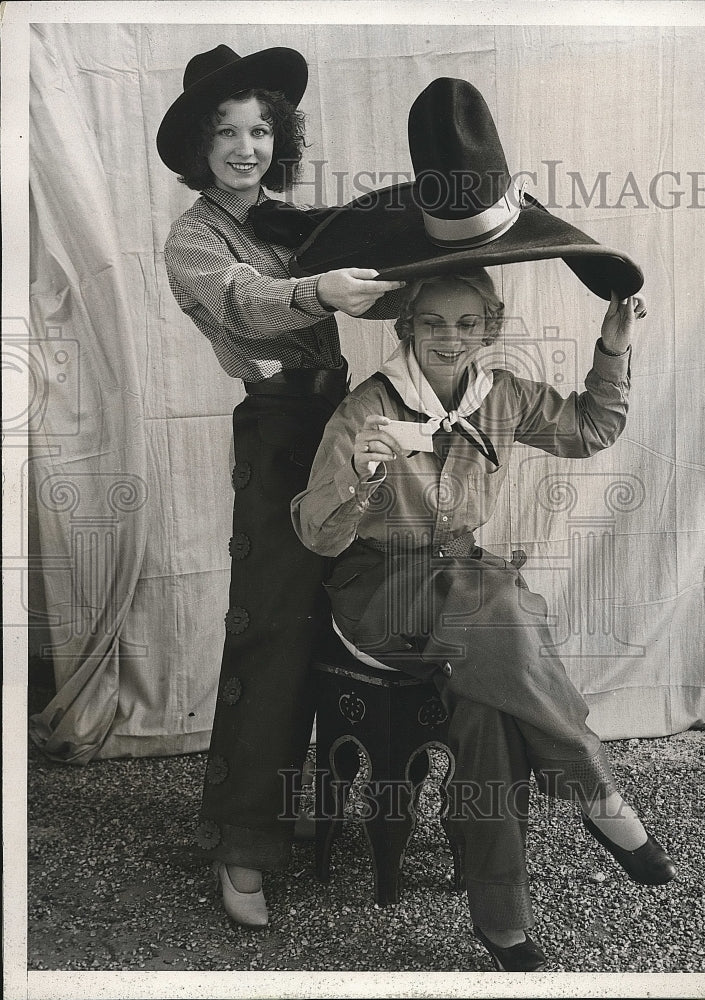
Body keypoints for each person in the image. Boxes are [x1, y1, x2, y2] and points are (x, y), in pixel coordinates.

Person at [291, 266, 675, 970]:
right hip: (378, 594)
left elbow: (591, 428)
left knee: (489, 714)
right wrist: (361, 475)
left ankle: (501, 922)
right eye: (433, 322)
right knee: (502, 605)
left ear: (490, 329)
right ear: (406, 326)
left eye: (468, 324)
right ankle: (598, 794)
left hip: (460, 586)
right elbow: (316, 535)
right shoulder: (366, 407)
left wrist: (613, 347)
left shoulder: (499, 396)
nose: (450, 338)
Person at [157, 44, 404, 927]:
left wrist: (442, 224)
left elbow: (365, 247)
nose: (245, 146)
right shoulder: (195, 238)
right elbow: (250, 302)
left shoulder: (289, 220)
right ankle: (243, 850)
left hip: (342, 420)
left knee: (352, 618)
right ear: (197, 144)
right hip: (277, 433)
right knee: (268, 633)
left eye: (260, 128)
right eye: (225, 132)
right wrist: (324, 292)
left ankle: (339, 816)